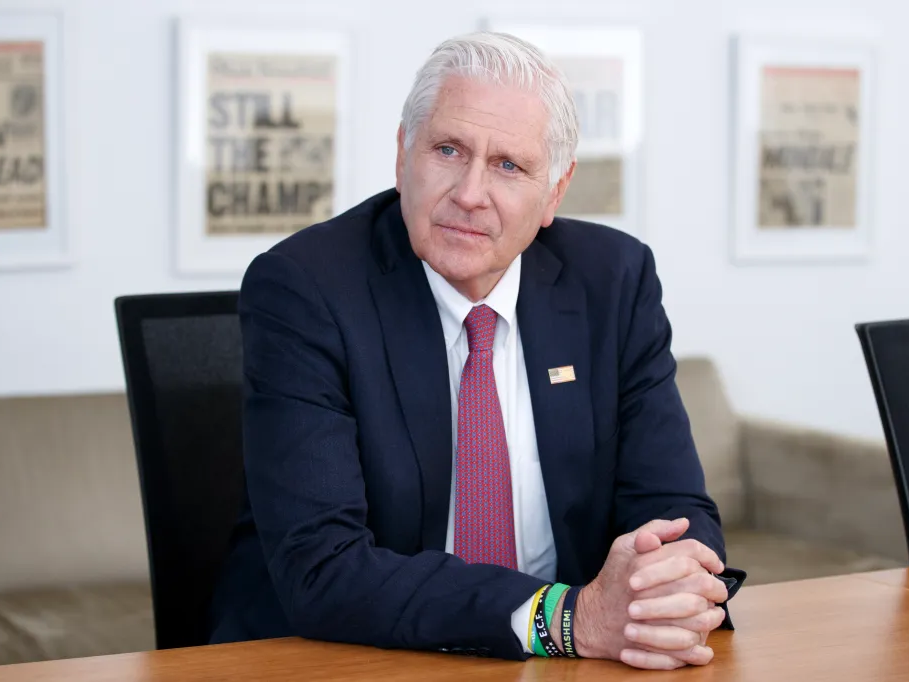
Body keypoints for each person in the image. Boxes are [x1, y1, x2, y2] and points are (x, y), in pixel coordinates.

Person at [208, 31, 744, 671]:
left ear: (555, 192)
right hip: (338, 659)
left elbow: (676, 508)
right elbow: (323, 569)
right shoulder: (307, 288)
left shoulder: (613, 282)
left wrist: (670, 585)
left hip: (558, 665)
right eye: (448, 149)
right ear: (403, 153)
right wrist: (565, 619)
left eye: (509, 166)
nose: (469, 193)